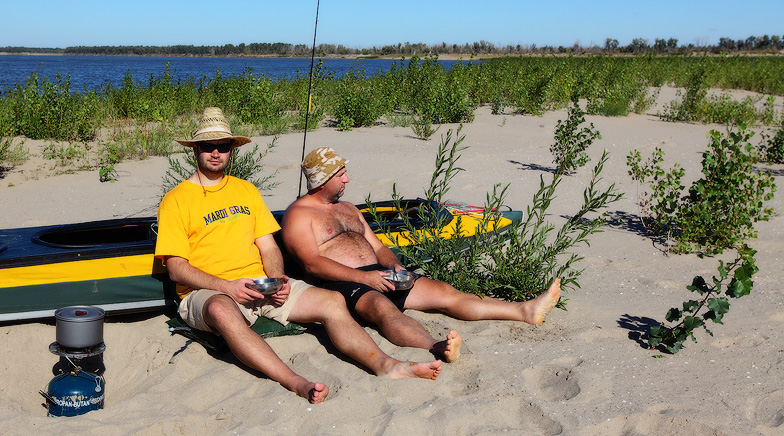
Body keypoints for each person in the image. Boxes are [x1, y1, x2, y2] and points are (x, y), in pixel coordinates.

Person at [154, 108, 442, 404]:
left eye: (222, 146)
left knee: (332, 301)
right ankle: (296, 381)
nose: (215, 153)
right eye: (207, 146)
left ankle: (386, 365)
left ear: (232, 150)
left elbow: (268, 247)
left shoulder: (246, 191)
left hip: (259, 285)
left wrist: (278, 279)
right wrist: (228, 287)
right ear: (195, 151)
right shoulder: (176, 200)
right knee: (222, 311)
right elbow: (177, 269)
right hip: (211, 292)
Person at [281, 147, 562, 363]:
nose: (347, 179)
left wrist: (396, 268)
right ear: (323, 179)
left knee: (445, 292)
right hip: (342, 282)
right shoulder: (299, 215)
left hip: (379, 274)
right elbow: (311, 264)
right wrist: (364, 278)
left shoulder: (348, 209)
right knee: (384, 309)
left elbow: (378, 246)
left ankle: (524, 311)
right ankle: (436, 346)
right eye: (341, 174)